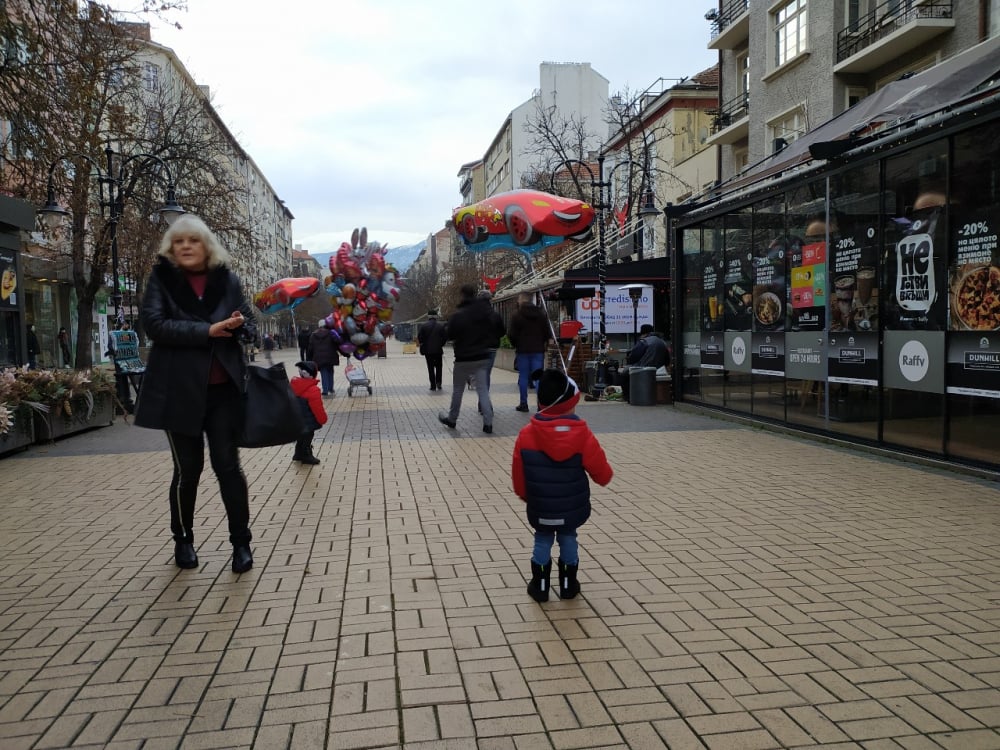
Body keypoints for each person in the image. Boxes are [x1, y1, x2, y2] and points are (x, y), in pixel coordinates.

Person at [133, 213, 258, 574]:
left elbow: (248, 322)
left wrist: (239, 327)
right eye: (178, 242)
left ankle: (241, 543)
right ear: (171, 249)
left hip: (223, 393)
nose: (185, 246)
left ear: (207, 245)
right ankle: (183, 539)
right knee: (188, 470)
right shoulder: (162, 280)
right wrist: (208, 330)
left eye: (193, 240)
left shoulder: (228, 280)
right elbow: (155, 325)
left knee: (228, 467)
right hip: (178, 392)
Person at [512, 368, 613, 602]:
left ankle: (540, 585)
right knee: (568, 538)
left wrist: (526, 495)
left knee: (542, 539)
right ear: (570, 404)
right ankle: (568, 584)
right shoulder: (582, 434)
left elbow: (519, 473)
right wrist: (605, 476)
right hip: (571, 507)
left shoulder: (526, 434)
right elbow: (601, 471)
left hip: (541, 505)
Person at [438, 283, 496, 434]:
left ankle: (452, 419)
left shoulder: (458, 314)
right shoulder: (483, 313)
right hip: (482, 357)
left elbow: (449, 334)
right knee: (482, 390)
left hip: (463, 359)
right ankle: (488, 423)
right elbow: (492, 330)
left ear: (463, 295)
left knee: (458, 390)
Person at [509, 292, 552, 412]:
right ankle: (540, 404)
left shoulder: (516, 315)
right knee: (538, 377)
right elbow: (547, 332)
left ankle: (524, 403)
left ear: (522, 300)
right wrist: (542, 343)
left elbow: (511, 334)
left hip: (522, 351)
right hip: (538, 350)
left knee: (523, 377)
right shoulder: (541, 314)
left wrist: (516, 345)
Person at [290, 360, 327, 465]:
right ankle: (306, 455)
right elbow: (317, 407)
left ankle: (298, 453)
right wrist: (322, 419)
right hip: (308, 420)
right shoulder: (313, 389)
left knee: (301, 435)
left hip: (297, 418)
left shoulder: (293, 385)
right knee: (308, 436)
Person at [479, 290, 506, 392]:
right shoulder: (496, 315)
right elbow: (503, 331)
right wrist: (495, 337)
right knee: (486, 373)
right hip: (491, 347)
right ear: (490, 300)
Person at [308, 320, 340, 396]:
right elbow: (336, 345)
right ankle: (330, 388)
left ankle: (325, 390)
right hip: (330, 356)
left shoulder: (313, 335)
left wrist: (308, 358)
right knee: (330, 372)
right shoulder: (331, 334)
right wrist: (345, 353)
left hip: (319, 358)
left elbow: (310, 348)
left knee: (324, 372)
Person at [417, 309, 447, 391]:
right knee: (439, 367)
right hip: (438, 351)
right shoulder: (440, 326)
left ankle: (433, 385)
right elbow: (444, 338)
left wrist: (424, 344)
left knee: (430, 368)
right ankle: (439, 383)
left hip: (428, 351)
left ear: (428, 317)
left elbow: (420, 338)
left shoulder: (424, 326)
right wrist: (440, 344)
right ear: (436, 316)